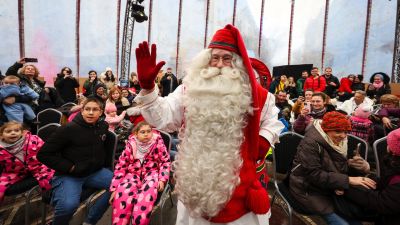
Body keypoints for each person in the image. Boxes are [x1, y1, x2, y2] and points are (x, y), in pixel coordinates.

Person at [133, 24, 283, 224]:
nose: (220, 64)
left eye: (227, 58)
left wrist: (264, 139)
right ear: (206, 60)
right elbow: (163, 118)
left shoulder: (258, 96)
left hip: (240, 191)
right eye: (215, 57)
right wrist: (148, 87)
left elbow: (273, 120)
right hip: (195, 188)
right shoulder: (189, 90)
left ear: (237, 63)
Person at [289, 111, 375, 225]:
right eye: (338, 131)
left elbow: (335, 167)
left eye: (346, 132)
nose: (343, 136)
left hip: (328, 187)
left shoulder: (341, 141)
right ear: (326, 129)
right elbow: (314, 174)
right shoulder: (310, 143)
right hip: (307, 189)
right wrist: (347, 180)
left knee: (356, 220)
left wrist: (360, 167)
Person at [37, 98, 113, 225]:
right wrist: (70, 167)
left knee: (121, 185)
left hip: (94, 172)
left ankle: (90, 220)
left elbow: (101, 134)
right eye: (87, 109)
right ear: (81, 111)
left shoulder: (101, 126)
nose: (90, 113)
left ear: (101, 113)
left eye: (95, 110)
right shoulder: (67, 129)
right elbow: (43, 154)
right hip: (69, 175)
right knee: (68, 206)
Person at [109, 121, 171, 225]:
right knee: (123, 195)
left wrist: (162, 179)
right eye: (143, 132)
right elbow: (121, 166)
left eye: (149, 131)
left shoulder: (158, 143)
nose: (146, 134)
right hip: (132, 174)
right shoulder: (130, 145)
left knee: (144, 199)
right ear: (136, 134)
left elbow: (165, 162)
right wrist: (115, 188)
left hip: (152, 174)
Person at [344, 128, 400, 225]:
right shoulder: (395, 165)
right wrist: (367, 174)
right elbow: (387, 182)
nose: (386, 145)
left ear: (394, 150)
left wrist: (345, 185)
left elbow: (382, 203)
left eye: (389, 143)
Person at [0, 121, 54, 203]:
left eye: (16, 130)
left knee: (53, 177)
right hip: (15, 172)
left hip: (38, 167)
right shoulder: (1, 149)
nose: (13, 133)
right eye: (8, 131)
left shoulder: (33, 140)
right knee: (1, 188)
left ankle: (50, 196)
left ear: (22, 133)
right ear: (2, 135)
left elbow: (46, 152)